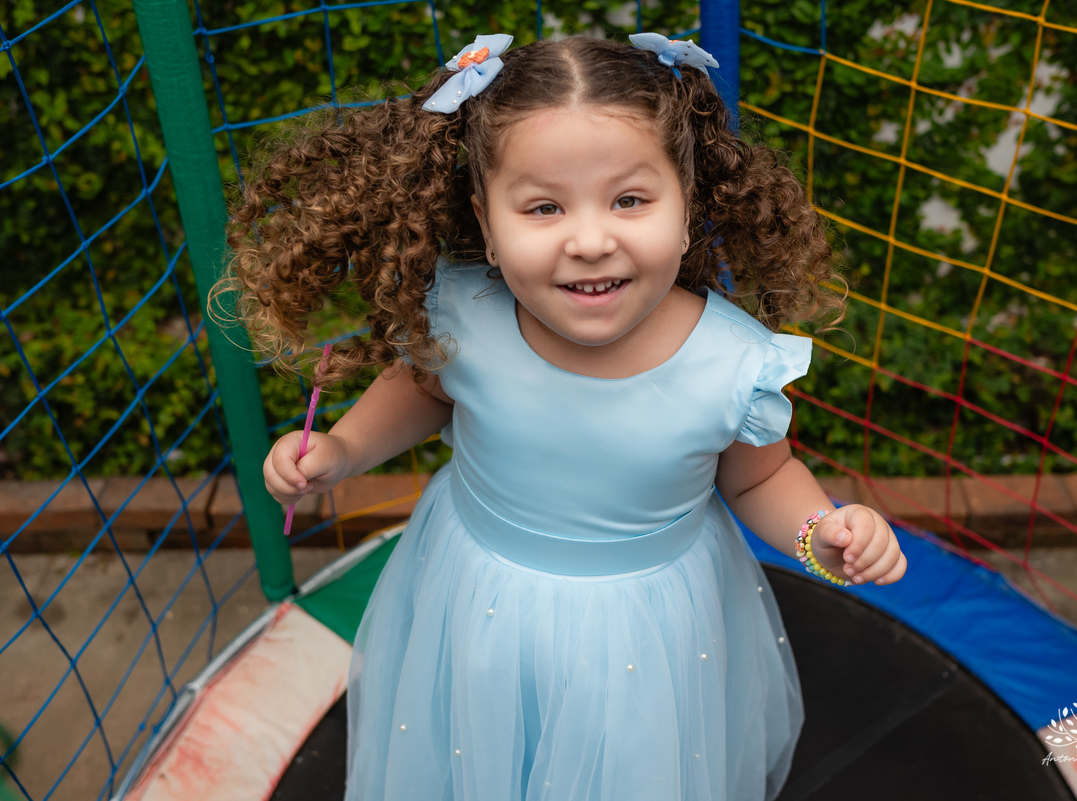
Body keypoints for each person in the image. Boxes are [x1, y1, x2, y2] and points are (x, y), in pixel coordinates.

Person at [219, 31, 907, 801]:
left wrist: (823, 531)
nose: (590, 240)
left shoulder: (732, 363)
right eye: (544, 207)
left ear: (687, 207)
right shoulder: (468, 313)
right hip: (473, 593)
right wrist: (342, 448)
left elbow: (759, 481)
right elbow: (422, 392)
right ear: (486, 221)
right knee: (476, 748)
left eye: (630, 200)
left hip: (648, 629)